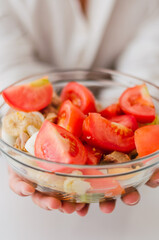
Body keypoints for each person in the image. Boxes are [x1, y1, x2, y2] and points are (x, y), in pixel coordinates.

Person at [1, 0, 159, 216]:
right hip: (23, 208)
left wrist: (111, 120)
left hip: (136, 206)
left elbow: (148, 65)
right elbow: (10, 65)